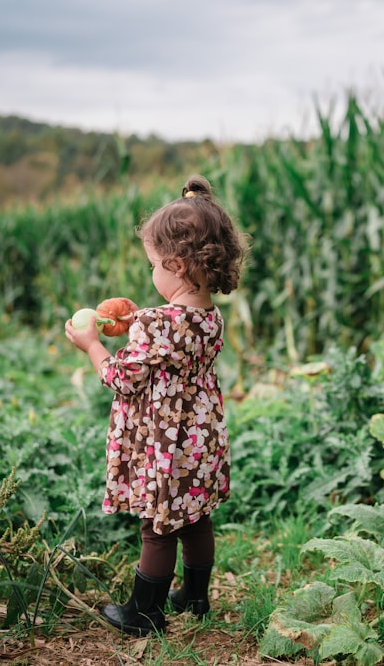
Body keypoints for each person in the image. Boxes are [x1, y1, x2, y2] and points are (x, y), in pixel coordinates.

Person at [65, 174, 248, 636]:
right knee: (195, 518)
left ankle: (144, 613)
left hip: (163, 447)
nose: (152, 275)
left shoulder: (155, 323)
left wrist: (91, 345)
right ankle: (195, 595)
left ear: (178, 265)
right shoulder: (210, 315)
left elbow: (122, 378)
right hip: (199, 441)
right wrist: (135, 322)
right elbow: (169, 346)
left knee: (157, 528)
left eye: (153, 265)